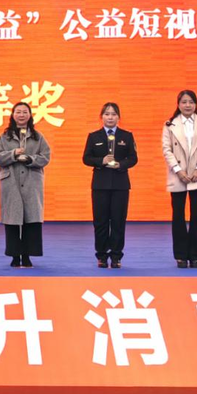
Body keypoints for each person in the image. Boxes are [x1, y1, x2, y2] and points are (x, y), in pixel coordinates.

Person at [0, 102, 51, 267]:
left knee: (30, 220)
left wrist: (30, 159)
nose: (21, 115)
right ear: (13, 115)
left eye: (25, 112)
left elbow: (45, 157)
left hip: (32, 182)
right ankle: (14, 256)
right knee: (12, 220)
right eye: (18, 112)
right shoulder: (4, 136)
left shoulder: (38, 136)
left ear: (30, 115)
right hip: (11, 182)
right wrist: (13, 154)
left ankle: (26, 256)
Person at [162, 89, 197, 269]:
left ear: (196, 104)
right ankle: (180, 256)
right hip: (178, 174)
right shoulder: (170, 124)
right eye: (184, 102)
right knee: (178, 215)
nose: (187, 105)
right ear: (178, 104)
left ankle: (195, 256)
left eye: (191, 102)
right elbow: (167, 150)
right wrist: (178, 171)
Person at [82, 102, 138, 269]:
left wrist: (121, 164)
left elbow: (133, 158)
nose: (110, 117)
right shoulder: (94, 136)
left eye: (113, 114)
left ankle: (116, 256)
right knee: (100, 222)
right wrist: (101, 161)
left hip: (120, 185)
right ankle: (101, 255)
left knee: (118, 221)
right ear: (102, 117)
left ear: (118, 117)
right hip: (100, 185)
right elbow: (86, 158)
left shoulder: (127, 136)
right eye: (107, 114)